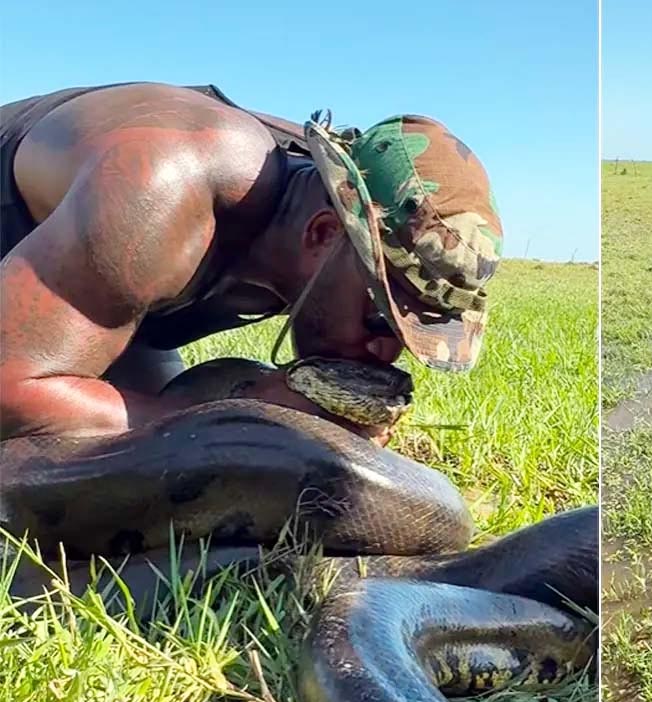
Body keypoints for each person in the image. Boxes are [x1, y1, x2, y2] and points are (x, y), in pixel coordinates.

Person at [0, 82, 503, 443]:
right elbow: (9, 391)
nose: (383, 351)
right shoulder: (166, 188)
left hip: (92, 288)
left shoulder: (310, 237)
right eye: (379, 316)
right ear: (324, 233)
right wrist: (241, 417)